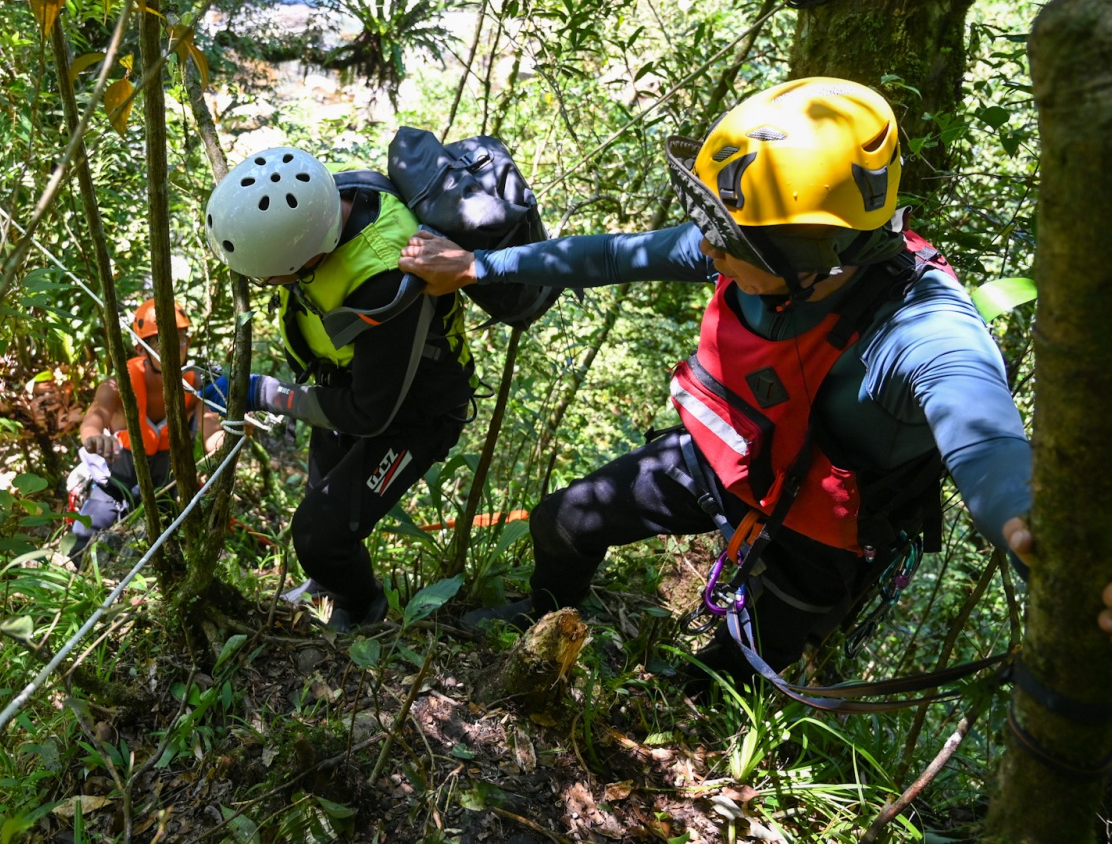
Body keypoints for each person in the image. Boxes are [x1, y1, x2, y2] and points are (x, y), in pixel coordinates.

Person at [398, 77, 1047, 684]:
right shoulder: (752, 250)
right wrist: (478, 266)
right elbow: (611, 255)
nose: (706, 247)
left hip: (819, 539)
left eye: (725, 236)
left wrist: (1037, 538)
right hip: (727, 455)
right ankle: (541, 613)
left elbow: (986, 441)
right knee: (562, 521)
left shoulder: (923, 328)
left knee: (719, 679)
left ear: (809, 252)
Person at [204, 146, 474, 631]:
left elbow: (370, 414)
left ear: (306, 256)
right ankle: (328, 586)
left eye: (270, 276)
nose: (267, 282)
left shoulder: (386, 280)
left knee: (320, 536)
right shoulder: (323, 201)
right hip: (348, 381)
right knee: (319, 495)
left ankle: (361, 608)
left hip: (412, 413)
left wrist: (263, 391)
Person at [74, 298, 224, 558]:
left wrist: (228, 440)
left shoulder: (194, 384)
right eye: (160, 341)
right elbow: (93, 419)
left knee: (165, 553)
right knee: (79, 545)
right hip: (115, 485)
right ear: (140, 348)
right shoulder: (117, 384)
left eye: (180, 338)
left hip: (164, 490)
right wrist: (95, 439)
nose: (174, 348)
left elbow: (211, 430)